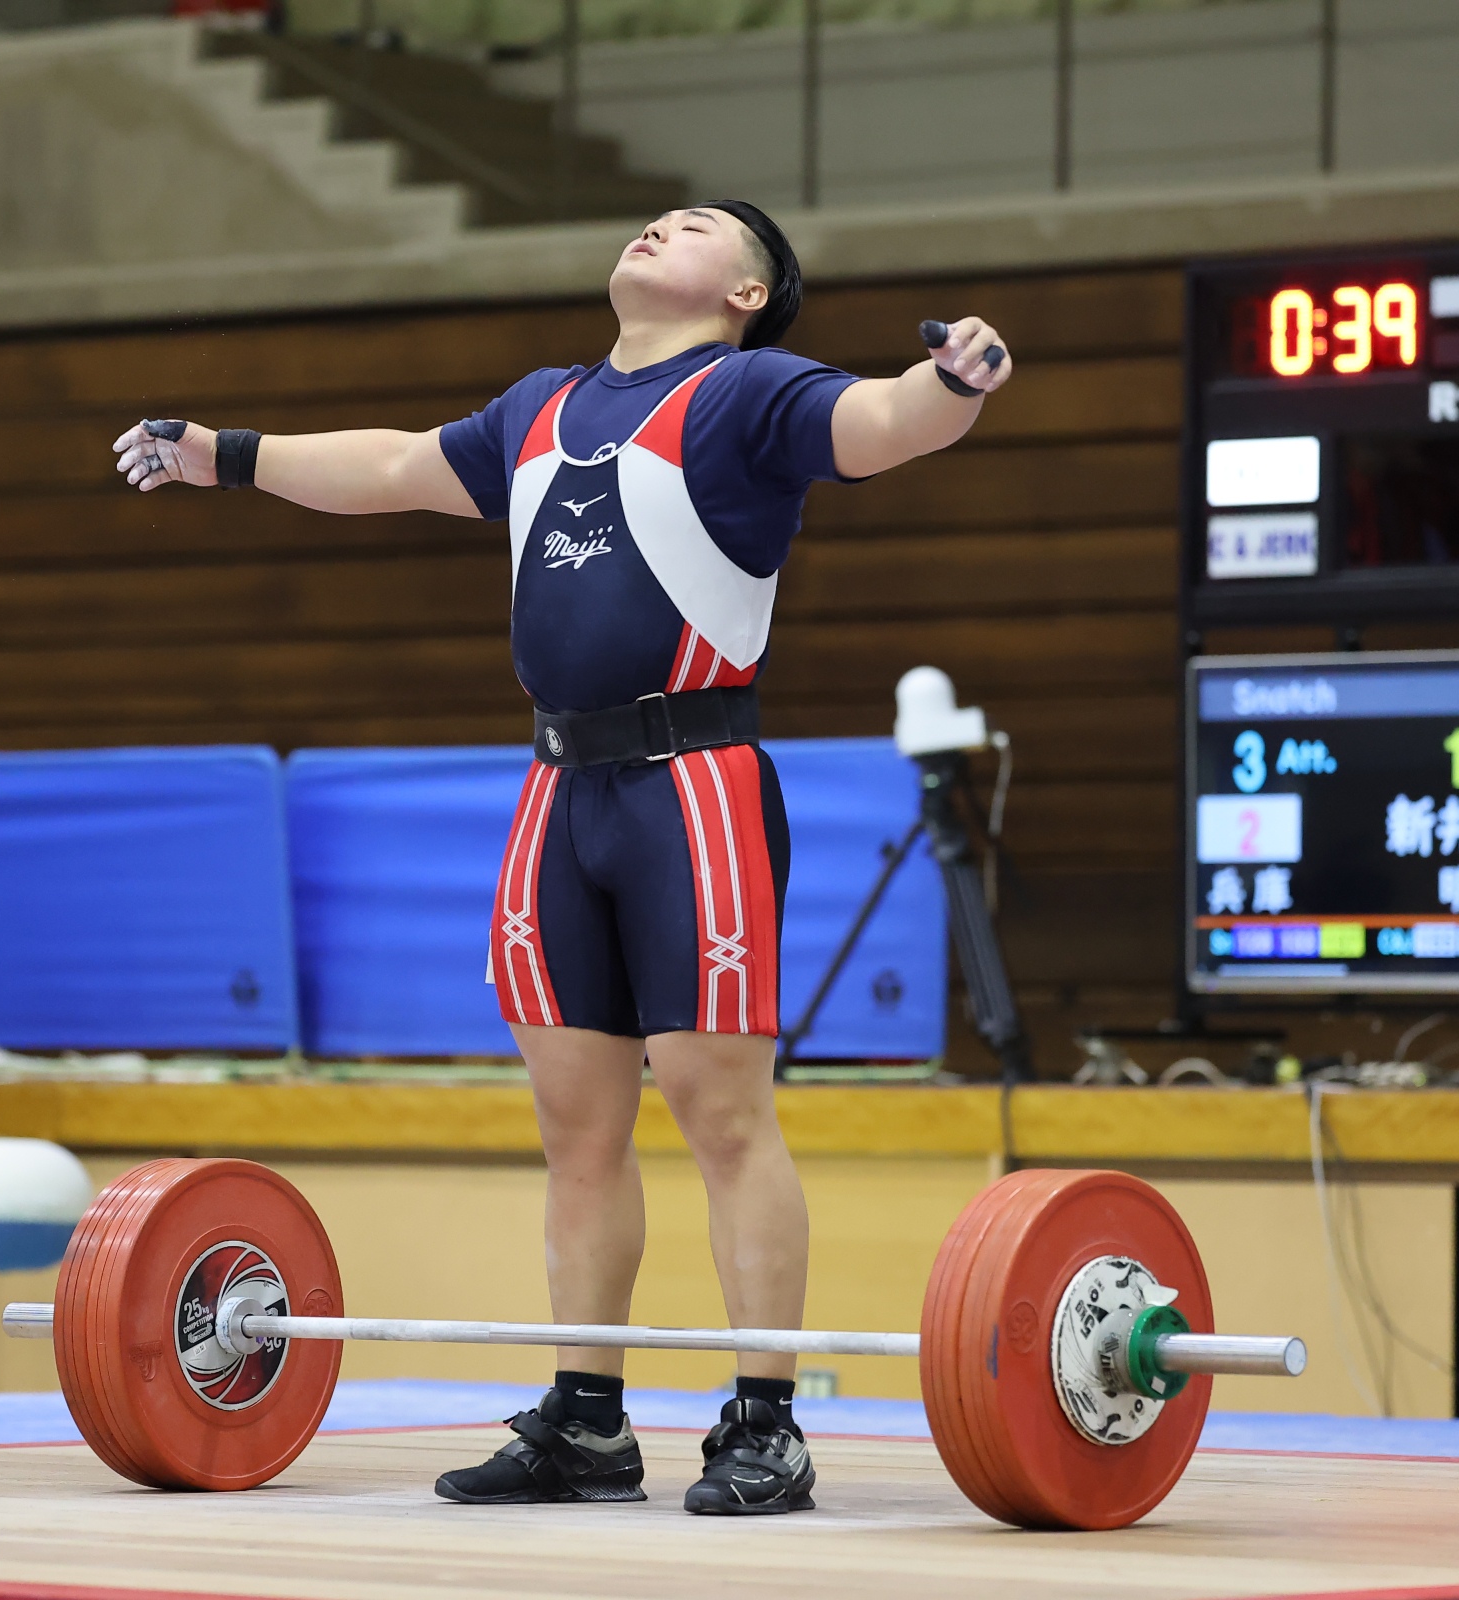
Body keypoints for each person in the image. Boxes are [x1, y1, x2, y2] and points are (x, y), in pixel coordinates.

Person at [112, 201, 1012, 1514]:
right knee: (577, 1132)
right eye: (655, 219)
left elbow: (879, 424)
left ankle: (767, 1424)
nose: (658, 229)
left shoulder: (747, 391)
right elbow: (393, 465)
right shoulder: (541, 405)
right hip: (556, 793)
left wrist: (954, 383)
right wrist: (224, 456)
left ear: (748, 292)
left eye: (694, 227)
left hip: (693, 787)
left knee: (721, 1114)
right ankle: (588, 1420)